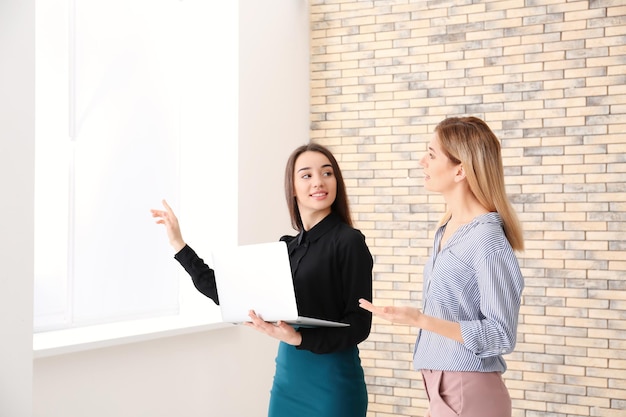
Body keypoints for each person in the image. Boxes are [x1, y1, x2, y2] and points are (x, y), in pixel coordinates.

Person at [151, 142, 373, 417]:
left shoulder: (350, 242)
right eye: (306, 175)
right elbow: (229, 293)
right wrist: (179, 244)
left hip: (333, 382)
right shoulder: (287, 248)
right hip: (289, 379)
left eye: (327, 173)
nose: (319, 182)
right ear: (292, 188)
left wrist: (299, 338)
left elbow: (359, 326)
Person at [359, 116, 525, 417]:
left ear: (460, 169)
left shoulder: (487, 239)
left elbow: (501, 334)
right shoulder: (446, 229)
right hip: (442, 388)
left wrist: (421, 320)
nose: (422, 161)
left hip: (469, 390)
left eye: (432, 154)